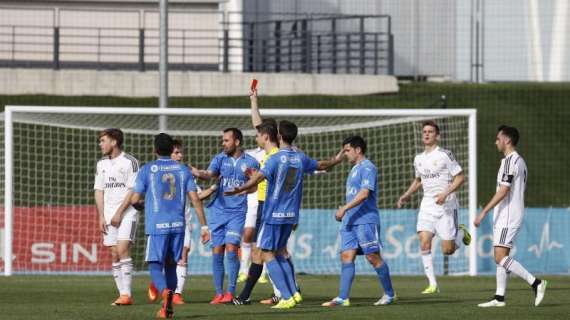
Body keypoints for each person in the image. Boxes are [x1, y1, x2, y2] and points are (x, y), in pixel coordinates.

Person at [226, 120, 343, 309]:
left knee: (266, 253)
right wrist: (336, 160)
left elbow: (258, 177)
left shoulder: (274, 158)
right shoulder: (300, 157)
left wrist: (240, 188)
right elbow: (320, 165)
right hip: (291, 214)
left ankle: (286, 296)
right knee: (280, 251)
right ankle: (294, 294)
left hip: (273, 214)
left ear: (279, 136)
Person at [131, 133, 210, 318]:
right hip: (178, 225)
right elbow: (195, 199)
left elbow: (135, 199)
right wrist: (205, 227)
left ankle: (164, 292)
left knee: (154, 264)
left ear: (155, 150)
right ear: (170, 149)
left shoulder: (147, 169)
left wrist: (141, 204)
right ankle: (168, 307)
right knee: (172, 265)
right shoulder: (183, 170)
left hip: (157, 225)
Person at [474, 125, 547, 308]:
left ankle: (536, 283)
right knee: (502, 256)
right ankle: (499, 298)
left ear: (507, 140)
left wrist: (484, 211)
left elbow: (504, 190)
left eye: (498, 138)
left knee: (499, 257)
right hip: (510, 213)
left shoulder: (509, 161)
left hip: (508, 215)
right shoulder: (520, 161)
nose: (495, 142)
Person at [396, 121, 471, 294]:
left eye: (430, 132)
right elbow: (419, 180)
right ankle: (432, 284)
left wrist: (445, 193)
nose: (427, 134)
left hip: (446, 205)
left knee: (448, 250)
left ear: (437, 135)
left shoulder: (445, 155)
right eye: (424, 132)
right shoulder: (418, 159)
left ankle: (461, 234)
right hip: (427, 205)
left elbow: (460, 177)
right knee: (424, 242)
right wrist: (407, 195)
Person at [322, 136, 396, 307]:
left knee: (372, 257)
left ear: (358, 150)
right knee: (347, 255)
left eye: (347, 150)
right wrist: (346, 211)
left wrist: (344, 208)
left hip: (365, 220)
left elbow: (364, 194)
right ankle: (342, 298)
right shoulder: (354, 169)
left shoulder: (368, 167)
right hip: (349, 221)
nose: (345, 154)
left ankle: (389, 294)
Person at [192, 128, 260, 304]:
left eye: (226, 140)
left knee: (231, 249)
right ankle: (218, 293)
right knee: (217, 251)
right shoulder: (220, 158)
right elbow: (210, 174)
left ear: (237, 142)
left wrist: (245, 187)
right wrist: (199, 173)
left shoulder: (251, 162)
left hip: (237, 212)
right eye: (223, 140)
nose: (223, 143)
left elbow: (254, 187)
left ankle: (230, 292)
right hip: (217, 211)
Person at [147, 139, 218, 305]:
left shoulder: (184, 171)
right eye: (176, 152)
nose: (180, 155)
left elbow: (197, 197)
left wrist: (214, 188)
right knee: (164, 260)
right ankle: (159, 283)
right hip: (161, 222)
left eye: (181, 152)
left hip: (183, 222)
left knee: (182, 255)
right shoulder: (156, 171)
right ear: (168, 153)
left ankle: (176, 293)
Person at [94, 128, 140, 306]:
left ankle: (127, 294)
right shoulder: (101, 164)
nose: (100, 144)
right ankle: (122, 294)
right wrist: (101, 216)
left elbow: (133, 190)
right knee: (114, 254)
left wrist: (120, 213)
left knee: (122, 250)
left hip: (128, 212)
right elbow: (99, 190)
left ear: (114, 142)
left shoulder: (130, 162)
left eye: (103, 140)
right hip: (108, 215)